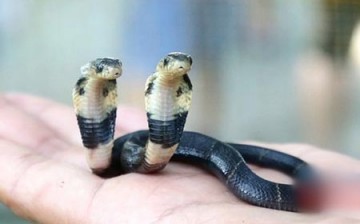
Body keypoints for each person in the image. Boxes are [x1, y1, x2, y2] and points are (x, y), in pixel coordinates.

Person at [0, 93, 359, 223]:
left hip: (181, 156)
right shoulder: (127, 146)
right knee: (210, 150)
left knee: (225, 155)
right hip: (135, 149)